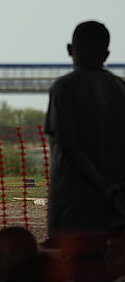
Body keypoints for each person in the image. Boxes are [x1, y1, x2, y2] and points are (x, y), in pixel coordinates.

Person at [44, 21, 125, 280]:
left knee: (75, 272)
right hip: (116, 211)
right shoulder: (121, 88)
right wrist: (114, 192)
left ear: (70, 49)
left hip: (74, 211)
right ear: (107, 55)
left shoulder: (65, 87)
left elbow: (68, 145)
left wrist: (102, 186)